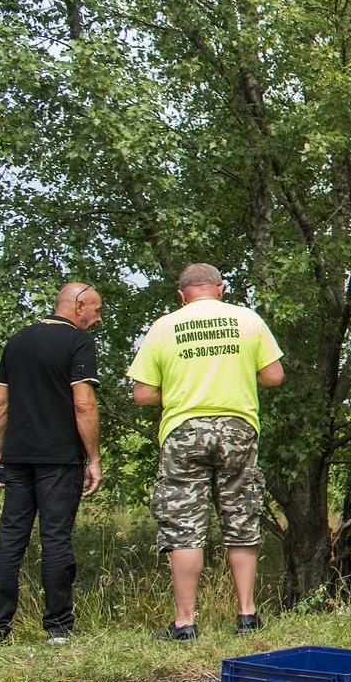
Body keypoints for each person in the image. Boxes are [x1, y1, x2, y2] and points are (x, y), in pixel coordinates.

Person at [129, 263, 284, 641]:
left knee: (184, 526)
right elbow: (274, 375)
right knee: (241, 518)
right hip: (237, 429)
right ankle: (247, 615)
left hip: (184, 432)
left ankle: (185, 623)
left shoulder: (164, 326)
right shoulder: (247, 320)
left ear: (181, 295)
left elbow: (143, 393)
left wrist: (183, 388)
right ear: (220, 287)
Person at [0, 282, 104, 646]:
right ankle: (58, 628)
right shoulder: (78, 343)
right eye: (95, 310)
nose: (96, 319)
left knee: (9, 540)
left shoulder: (17, 341)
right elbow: (83, 405)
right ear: (78, 306)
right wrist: (93, 457)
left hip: (17, 456)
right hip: (59, 458)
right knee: (55, 539)